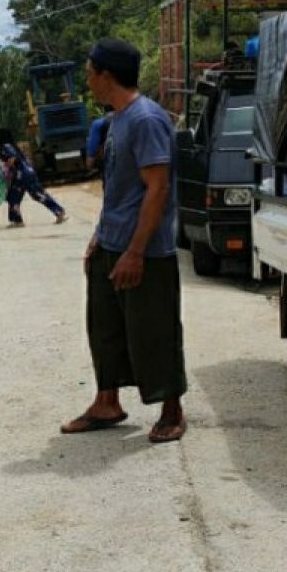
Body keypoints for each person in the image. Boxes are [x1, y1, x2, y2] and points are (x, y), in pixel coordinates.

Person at [60, 39, 187, 443]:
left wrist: (135, 251)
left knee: (155, 330)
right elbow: (117, 188)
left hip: (145, 250)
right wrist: (100, 236)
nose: (87, 80)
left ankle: (172, 411)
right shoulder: (116, 120)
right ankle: (107, 401)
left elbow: (157, 189)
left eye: (89, 72)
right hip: (112, 243)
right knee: (105, 328)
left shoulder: (146, 119)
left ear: (106, 75)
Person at [0, 129, 68, 228]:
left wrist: (5, 167)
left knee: (13, 197)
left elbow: (12, 158)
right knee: (38, 194)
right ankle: (59, 211)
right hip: (29, 172)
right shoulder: (13, 145)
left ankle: (17, 221)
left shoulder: (5, 146)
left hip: (21, 175)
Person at [84, 106, 113, 170]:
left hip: (111, 162)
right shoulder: (128, 118)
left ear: (103, 110)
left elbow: (93, 147)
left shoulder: (98, 123)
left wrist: (89, 164)